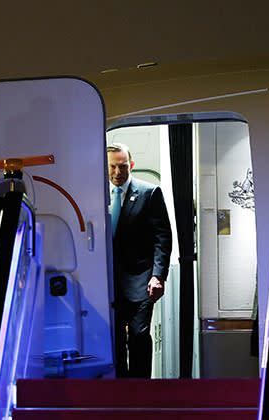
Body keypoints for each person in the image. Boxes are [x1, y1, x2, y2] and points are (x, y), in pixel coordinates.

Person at [107, 142, 172, 378]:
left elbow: (162, 238)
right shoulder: (95, 194)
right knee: (113, 339)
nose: (117, 173)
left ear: (131, 165)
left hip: (140, 281)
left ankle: (140, 389)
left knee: (138, 335)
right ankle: (119, 391)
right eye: (113, 167)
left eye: (122, 167)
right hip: (107, 283)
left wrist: (158, 276)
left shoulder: (149, 193)